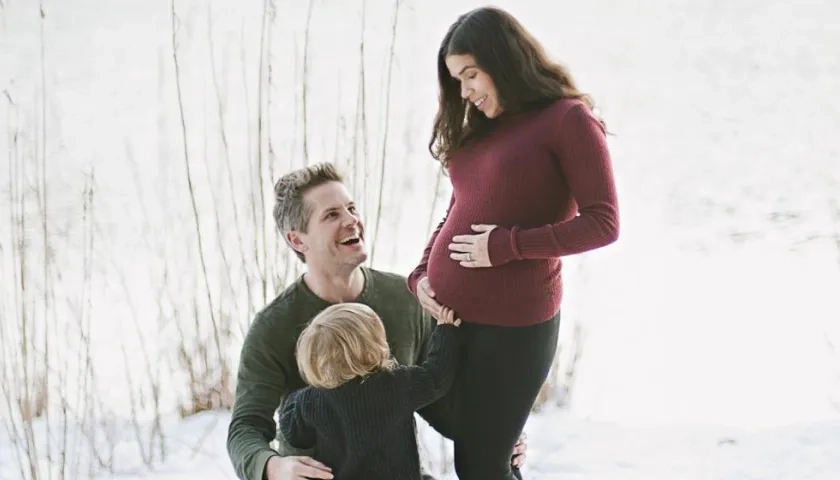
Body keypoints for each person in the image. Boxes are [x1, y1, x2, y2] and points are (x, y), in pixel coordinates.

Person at [407, 6, 620, 480]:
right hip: (454, 318)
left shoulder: (567, 120)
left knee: (479, 464)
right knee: (477, 449)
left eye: (471, 75)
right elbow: (457, 211)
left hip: (515, 325)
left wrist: (506, 246)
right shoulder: (481, 128)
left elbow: (603, 222)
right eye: (456, 80)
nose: (464, 92)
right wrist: (421, 274)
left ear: (502, 60)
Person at [226, 163, 527, 480]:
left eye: (351, 208)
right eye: (332, 215)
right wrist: (273, 467)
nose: (351, 220)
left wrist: (496, 436)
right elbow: (246, 427)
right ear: (298, 240)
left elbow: (436, 394)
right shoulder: (273, 327)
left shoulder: (404, 299)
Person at [278, 302, 461, 480]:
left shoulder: (309, 401)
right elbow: (437, 378)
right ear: (375, 346)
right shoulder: (397, 384)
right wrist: (445, 331)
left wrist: (294, 398)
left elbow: (296, 437)